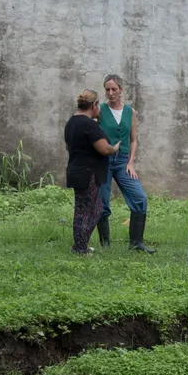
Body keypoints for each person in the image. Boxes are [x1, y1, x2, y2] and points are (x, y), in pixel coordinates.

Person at [96, 74, 155, 253]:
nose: (110, 93)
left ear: (121, 90)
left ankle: (137, 243)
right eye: (107, 89)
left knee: (139, 197)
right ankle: (105, 244)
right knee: (102, 201)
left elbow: (133, 140)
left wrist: (130, 162)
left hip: (122, 161)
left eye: (114, 89)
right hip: (103, 161)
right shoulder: (100, 110)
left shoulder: (130, 112)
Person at [65, 90, 119, 255]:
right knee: (87, 211)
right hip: (88, 173)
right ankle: (80, 248)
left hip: (76, 170)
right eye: (98, 105)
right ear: (94, 105)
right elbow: (104, 149)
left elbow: (69, 146)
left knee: (90, 209)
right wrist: (114, 148)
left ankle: (81, 245)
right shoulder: (89, 125)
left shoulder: (71, 122)